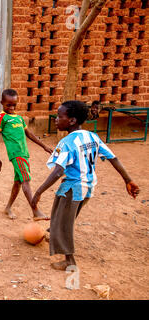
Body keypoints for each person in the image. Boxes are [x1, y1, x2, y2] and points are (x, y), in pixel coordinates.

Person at [31, 100, 140, 271]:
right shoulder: (92, 136)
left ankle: (69, 261)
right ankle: (54, 232)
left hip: (73, 188)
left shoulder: (67, 142)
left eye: (60, 117)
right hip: (88, 187)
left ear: (72, 120)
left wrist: (38, 192)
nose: (56, 120)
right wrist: (128, 180)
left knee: (65, 221)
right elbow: (113, 158)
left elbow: (58, 171)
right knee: (61, 213)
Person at [0, 89, 53, 221]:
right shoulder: (2, 118)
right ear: (2, 102)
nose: (11, 107)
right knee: (26, 180)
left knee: (18, 182)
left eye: (14, 105)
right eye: (8, 105)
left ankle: (8, 208)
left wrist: (44, 146)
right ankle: (35, 210)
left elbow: (29, 134)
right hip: (16, 154)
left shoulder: (19, 118)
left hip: (24, 153)